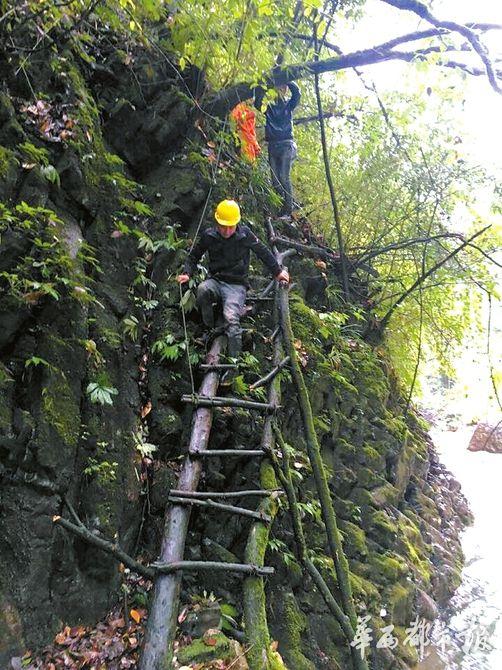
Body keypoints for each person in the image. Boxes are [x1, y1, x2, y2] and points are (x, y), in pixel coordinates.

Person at [176, 199, 289, 378]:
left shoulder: (245, 235)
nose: (227, 231)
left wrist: (278, 272)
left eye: (231, 226)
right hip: (216, 280)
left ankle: (232, 364)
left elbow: (263, 252)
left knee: (231, 317)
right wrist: (186, 273)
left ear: (237, 223)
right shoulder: (209, 236)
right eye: (223, 226)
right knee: (203, 290)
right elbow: (194, 256)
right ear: (217, 223)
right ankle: (209, 329)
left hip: (236, 285)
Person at [256, 81, 301, 219]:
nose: (281, 91)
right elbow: (257, 102)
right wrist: (268, 84)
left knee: (283, 177)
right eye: (278, 88)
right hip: (273, 146)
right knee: (275, 180)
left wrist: (286, 79)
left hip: (287, 145)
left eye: (283, 89)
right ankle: (280, 209)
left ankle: (288, 211)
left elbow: (297, 94)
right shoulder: (268, 108)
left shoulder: (289, 105)